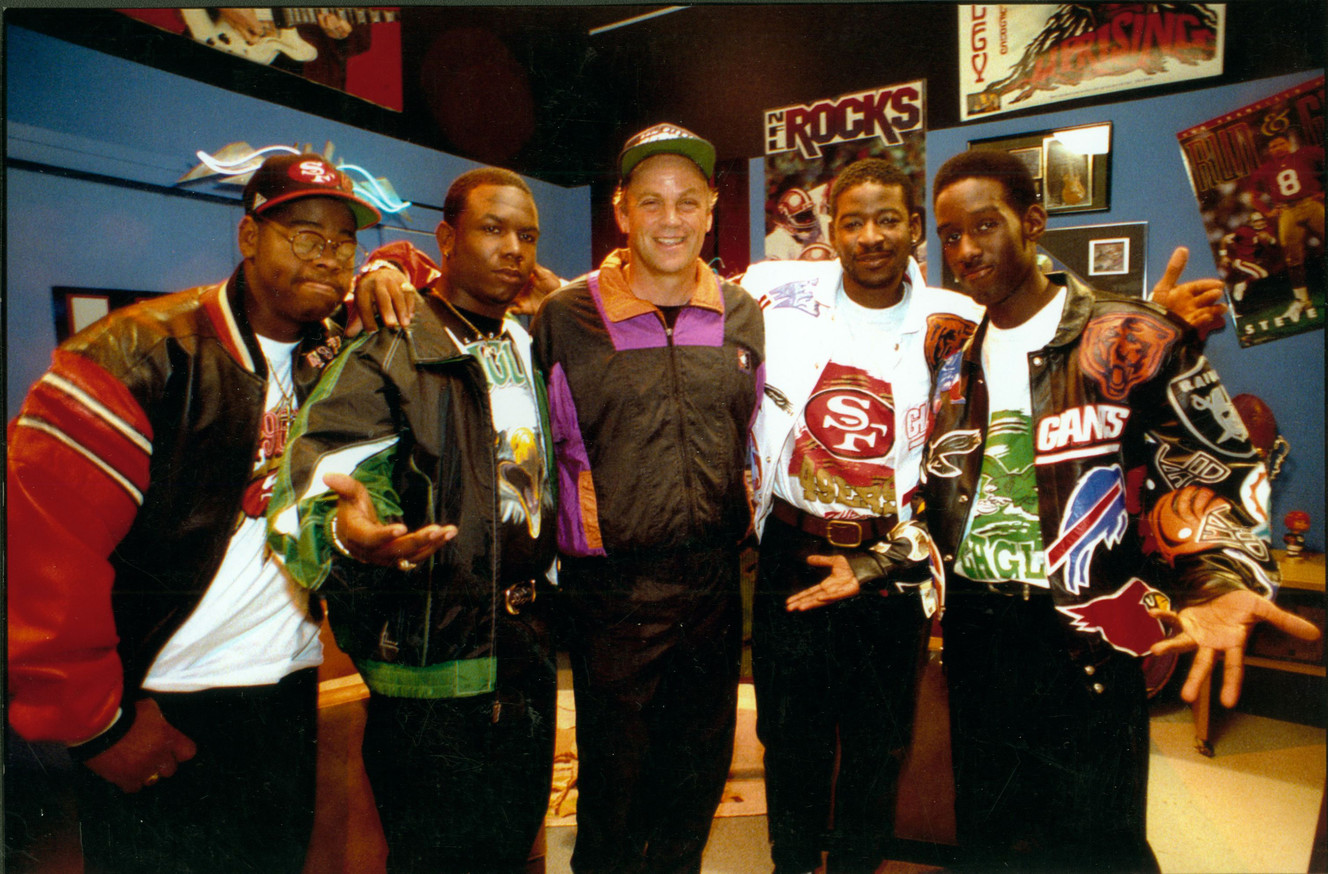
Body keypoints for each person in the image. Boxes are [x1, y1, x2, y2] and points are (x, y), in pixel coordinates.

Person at [917, 148, 1319, 871]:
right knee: (989, 833)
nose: (967, 249)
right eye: (950, 234)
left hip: (1090, 634)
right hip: (980, 630)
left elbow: (1215, 469)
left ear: (1034, 221)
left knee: (1099, 844)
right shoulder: (953, 355)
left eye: (985, 225)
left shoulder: (1129, 338)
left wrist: (1224, 580)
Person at [6, 152, 380, 872]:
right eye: (303, 233)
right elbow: (42, 560)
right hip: (166, 703)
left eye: (342, 242)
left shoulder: (333, 355)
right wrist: (98, 730)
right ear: (248, 237)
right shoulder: (134, 358)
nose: (327, 256)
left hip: (284, 694)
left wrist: (390, 270)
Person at [266, 167, 559, 873]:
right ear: (447, 239)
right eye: (493, 229)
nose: (513, 248)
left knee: (513, 853)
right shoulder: (388, 351)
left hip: (526, 665)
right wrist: (354, 535)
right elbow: (315, 480)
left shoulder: (527, 347)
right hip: (434, 680)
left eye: (527, 234)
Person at [530, 123, 764, 874]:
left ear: (711, 209)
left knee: (695, 781)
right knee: (616, 787)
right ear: (622, 211)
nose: (671, 218)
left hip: (714, 585)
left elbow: (750, 427)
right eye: (652, 201)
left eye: (688, 202)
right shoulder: (564, 316)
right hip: (613, 592)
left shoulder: (741, 313)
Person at [740, 159, 981, 874]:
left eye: (888, 220)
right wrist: (392, 273)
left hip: (891, 562)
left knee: (879, 743)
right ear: (832, 230)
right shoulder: (772, 293)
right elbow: (654, 281)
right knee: (788, 739)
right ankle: (790, 864)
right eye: (853, 221)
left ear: (915, 229)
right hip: (792, 548)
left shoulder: (957, 325)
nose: (870, 236)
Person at [1246, 135, 1325, 319]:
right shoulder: (1265, 170)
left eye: (1281, 143)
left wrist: (1322, 192)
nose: (1278, 148)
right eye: (1274, 146)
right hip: (1287, 211)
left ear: (1289, 144)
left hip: (1311, 204)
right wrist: (1268, 212)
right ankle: (1302, 300)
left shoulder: (1305, 154)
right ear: (1270, 151)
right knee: (1292, 258)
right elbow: (1253, 197)